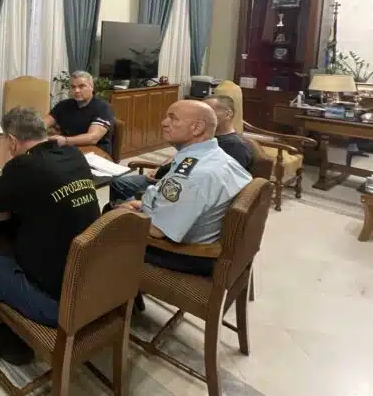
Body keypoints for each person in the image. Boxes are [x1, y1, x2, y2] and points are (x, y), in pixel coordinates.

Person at [0, 107, 100, 332]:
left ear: (12, 141)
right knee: (8, 233)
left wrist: (7, 171)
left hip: (55, 304)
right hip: (90, 283)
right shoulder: (74, 154)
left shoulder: (23, 166)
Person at [120, 100, 252, 276]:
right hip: (200, 234)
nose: (164, 123)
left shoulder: (193, 175)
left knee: (107, 227)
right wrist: (143, 205)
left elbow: (158, 231)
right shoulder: (216, 156)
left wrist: (127, 213)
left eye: (173, 118)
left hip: (186, 254)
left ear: (197, 128)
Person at [109, 94, 254, 204]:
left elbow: (214, 190)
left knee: (118, 189)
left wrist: (142, 204)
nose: (164, 123)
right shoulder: (207, 142)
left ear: (228, 114)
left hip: (174, 192)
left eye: (208, 111)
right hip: (167, 181)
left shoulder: (235, 147)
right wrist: (165, 166)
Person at [44, 71, 114, 155]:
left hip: (95, 153)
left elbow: (92, 138)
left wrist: (64, 140)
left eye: (81, 86)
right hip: (69, 150)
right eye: (73, 87)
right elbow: (43, 123)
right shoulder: (64, 105)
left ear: (91, 87)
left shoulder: (103, 108)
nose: (76, 90)